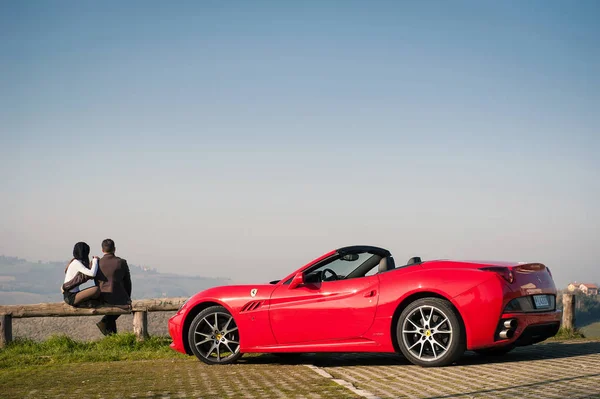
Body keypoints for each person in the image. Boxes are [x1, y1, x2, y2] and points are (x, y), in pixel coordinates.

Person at [95, 238, 132, 335]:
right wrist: (128, 297)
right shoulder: (121, 262)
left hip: (102, 296)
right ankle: (105, 324)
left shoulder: (97, 263)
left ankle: (112, 336)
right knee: (113, 315)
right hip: (119, 297)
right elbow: (127, 282)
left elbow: (95, 281)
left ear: (102, 250)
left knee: (110, 317)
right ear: (114, 249)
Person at [62, 242, 101, 306]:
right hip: (71, 297)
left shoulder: (76, 262)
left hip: (74, 294)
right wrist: (95, 260)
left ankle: (86, 303)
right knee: (96, 289)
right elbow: (92, 274)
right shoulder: (76, 263)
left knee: (96, 292)